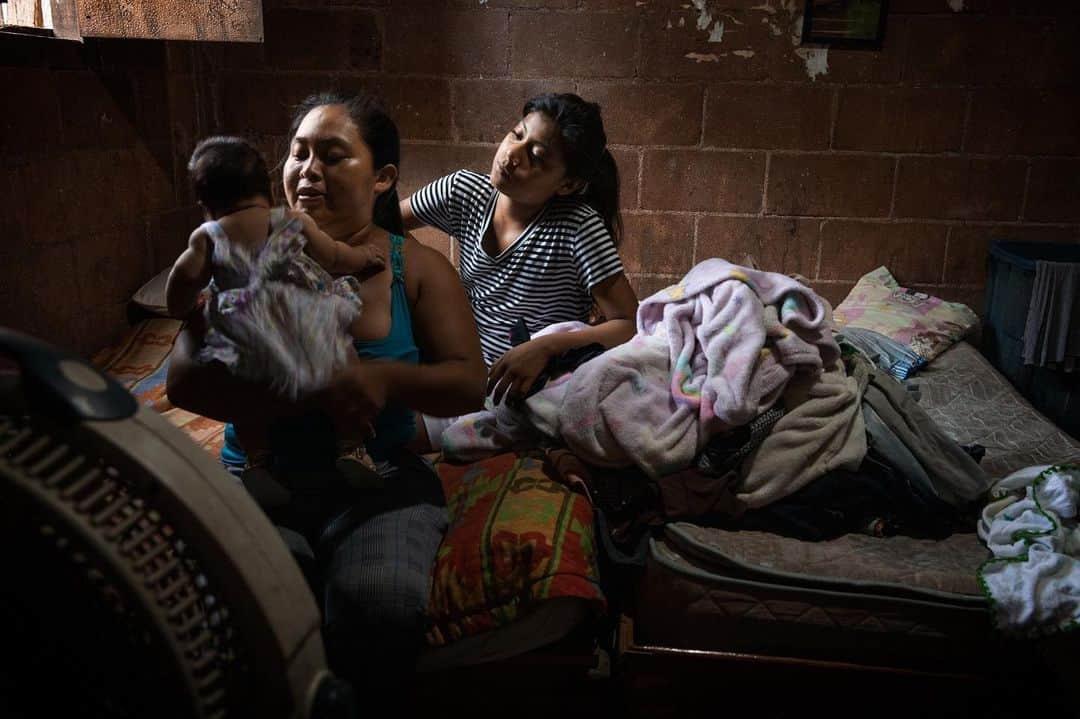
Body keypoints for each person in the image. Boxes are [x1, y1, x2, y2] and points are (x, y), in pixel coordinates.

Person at [165, 91, 486, 687]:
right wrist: (302, 387)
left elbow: (470, 382)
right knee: (251, 607)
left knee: (377, 606)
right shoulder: (241, 257)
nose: (307, 171)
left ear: (384, 177)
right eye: (297, 154)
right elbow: (181, 380)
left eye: (332, 156)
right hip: (259, 480)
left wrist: (380, 377)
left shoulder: (415, 268)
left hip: (377, 482)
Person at [401, 93, 639, 449]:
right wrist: (428, 276)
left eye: (537, 157)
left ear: (567, 184)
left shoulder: (578, 227)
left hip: (529, 389)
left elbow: (629, 323)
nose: (513, 155)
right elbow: (380, 222)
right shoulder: (463, 192)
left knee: (396, 437)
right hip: (462, 367)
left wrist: (545, 347)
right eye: (516, 134)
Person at [166, 135, 387, 484]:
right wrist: (364, 257)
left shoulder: (209, 235)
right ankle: (352, 447)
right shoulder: (288, 220)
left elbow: (183, 277)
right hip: (300, 319)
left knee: (245, 401)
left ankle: (257, 463)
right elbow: (333, 256)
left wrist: (182, 307)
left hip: (244, 332)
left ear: (206, 204)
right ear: (267, 188)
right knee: (343, 364)